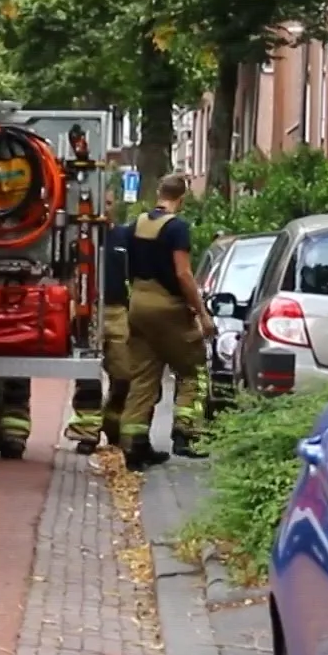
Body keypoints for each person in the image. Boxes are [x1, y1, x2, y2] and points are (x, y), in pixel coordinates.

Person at [120, 172, 217, 470]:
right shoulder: (177, 228)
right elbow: (183, 273)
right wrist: (201, 313)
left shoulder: (136, 225)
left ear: (158, 193)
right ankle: (185, 435)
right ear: (182, 198)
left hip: (138, 303)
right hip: (168, 306)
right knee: (194, 370)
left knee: (144, 375)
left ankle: (134, 445)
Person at [64, 202, 135, 454]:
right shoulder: (79, 238)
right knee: (87, 377)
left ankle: (113, 422)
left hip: (118, 312)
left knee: (125, 374)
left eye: (107, 203)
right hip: (88, 311)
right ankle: (87, 433)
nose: (103, 209)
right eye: (98, 204)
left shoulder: (124, 237)